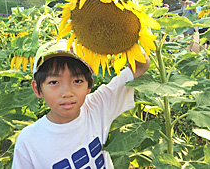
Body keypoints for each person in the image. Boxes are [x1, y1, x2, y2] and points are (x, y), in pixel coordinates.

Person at [11, 39, 150, 168]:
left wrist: (118, 40)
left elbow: (141, 65)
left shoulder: (96, 106)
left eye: (77, 81)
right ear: (37, 89)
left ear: (89, 85)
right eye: (54, 82)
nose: (67, 92)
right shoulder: (28, 142)